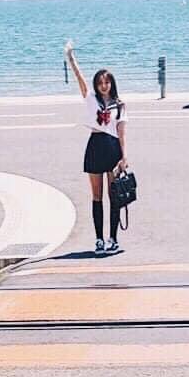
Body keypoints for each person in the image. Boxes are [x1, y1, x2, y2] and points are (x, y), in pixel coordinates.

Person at [64, 41, 128, 254]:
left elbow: (121, 131)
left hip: (113, 148)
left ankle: (113, 239)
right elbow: (80, 81)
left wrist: (124, 157)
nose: (104, 85)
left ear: (112, 84)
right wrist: (71, 59)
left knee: (114, 195)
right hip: (95, 146)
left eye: (107, 82)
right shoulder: (91, 99)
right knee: (97, 196)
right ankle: (99, 239)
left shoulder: (120, 105)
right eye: (100, 82)